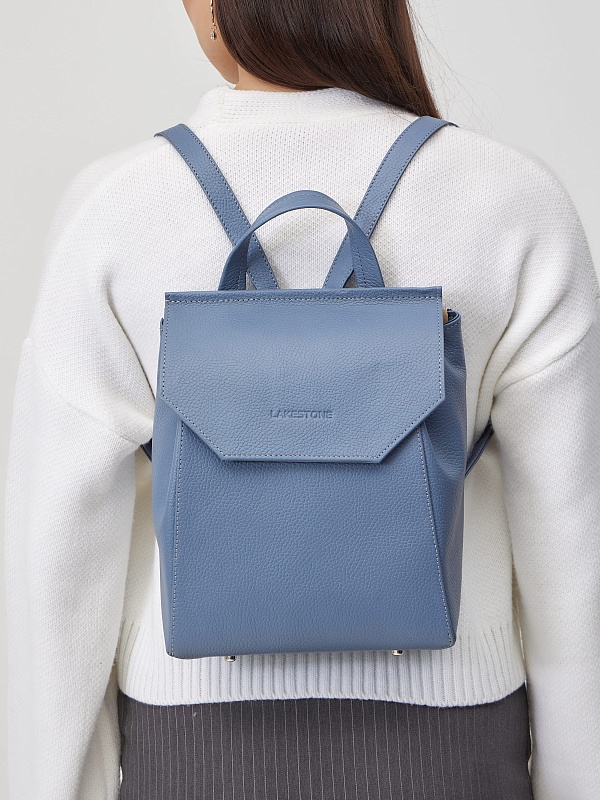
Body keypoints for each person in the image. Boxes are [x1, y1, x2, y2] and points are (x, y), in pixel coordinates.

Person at [4, 0, 600, 798]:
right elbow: (575, 546)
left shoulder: (114, 206)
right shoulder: (512, 200)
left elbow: (58, 555)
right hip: (455, 747)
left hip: (189, 750)